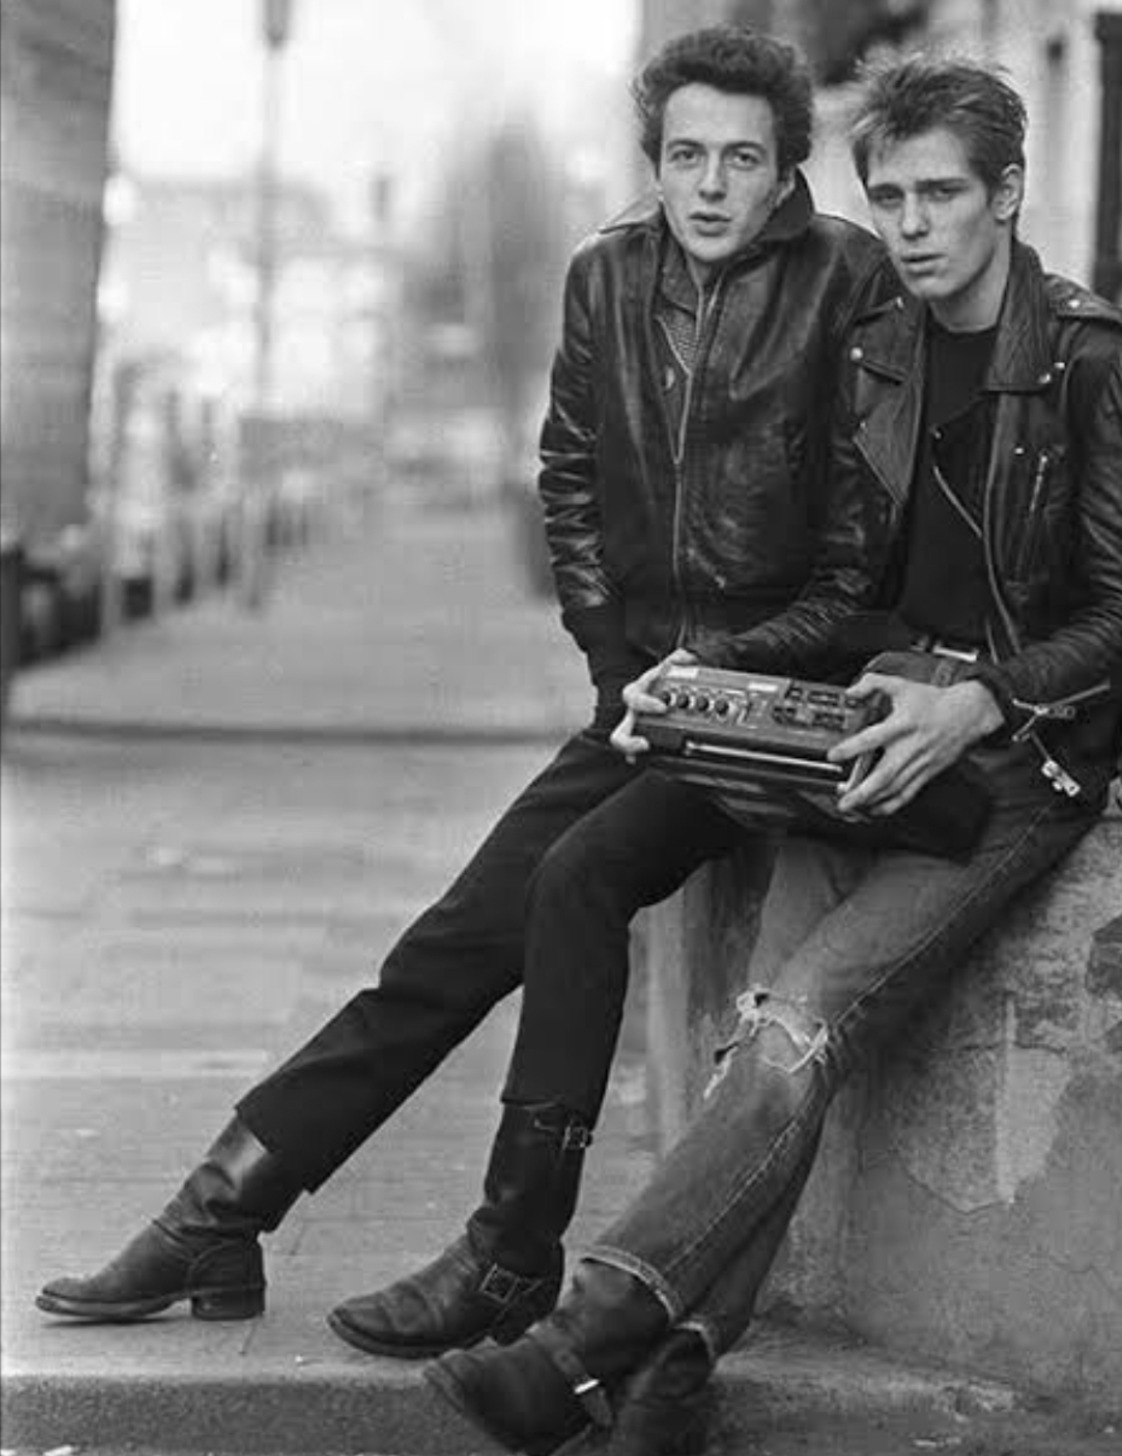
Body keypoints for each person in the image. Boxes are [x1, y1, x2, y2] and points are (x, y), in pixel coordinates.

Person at [36, 26, 890, 1363]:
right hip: (643, 703)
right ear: (655, 160)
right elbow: (570, 482)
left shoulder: (848, 280)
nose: (711, 186)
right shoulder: (609, 273)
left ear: (787, 169)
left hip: (773, 712)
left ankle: (510, 1251)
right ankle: (222, 1208)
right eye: (686, 156)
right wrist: (623, 676)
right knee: (447, 947)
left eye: (741, 159)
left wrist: (725, 677)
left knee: (577, 883)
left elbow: (861, 552)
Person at [425, 53, 1122, 1455]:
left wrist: (980, 699)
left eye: (942, 194)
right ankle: (672, 1377)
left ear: (1010, 192)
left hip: (1027, 757)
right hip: (870, 729)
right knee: (764, 1031)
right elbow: (845, 588)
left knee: (800, 1022)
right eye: (887, 196)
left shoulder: (1103, 361)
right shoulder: (881, 351)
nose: (912, 225)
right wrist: (711, 673)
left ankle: (580, 1340)